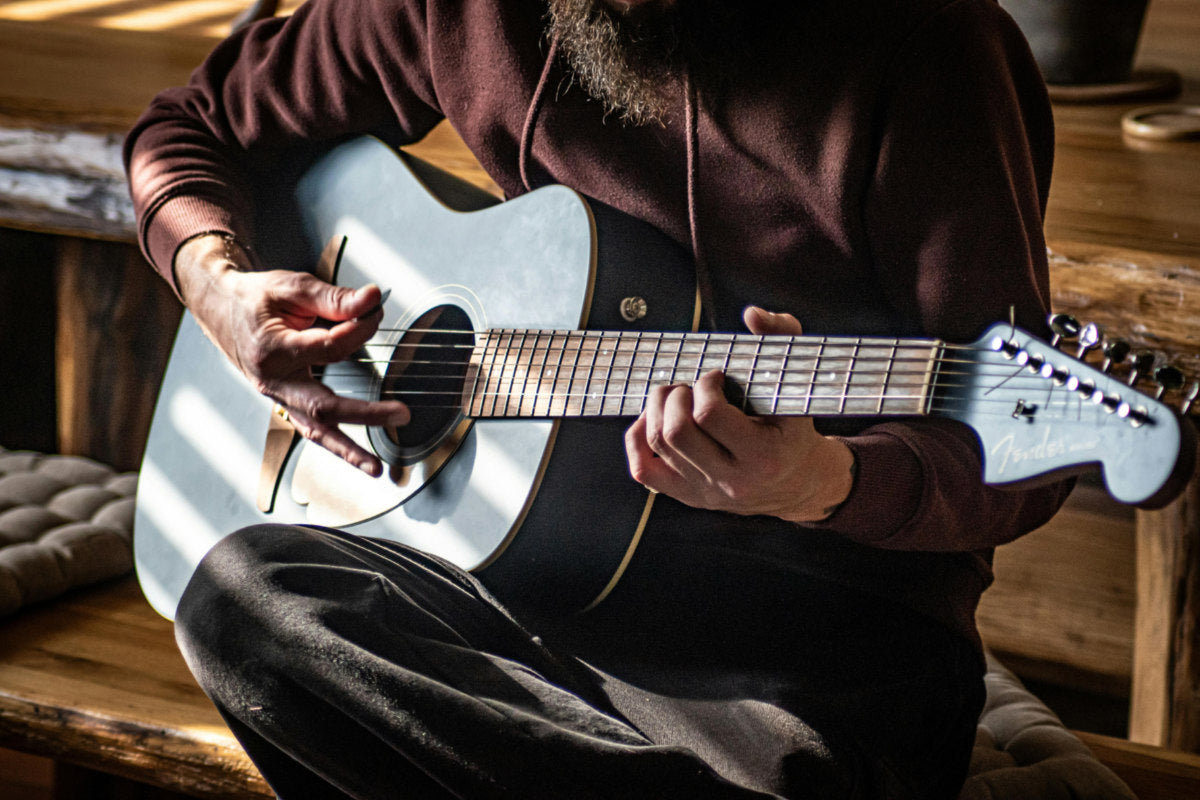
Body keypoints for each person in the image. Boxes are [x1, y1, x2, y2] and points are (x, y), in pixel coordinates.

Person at [124, 0, 1071, 796]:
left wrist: (820, 479)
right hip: (532, 609)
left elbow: (1027, 444)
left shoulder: (928, 41)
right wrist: (217, 285)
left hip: (809, 665)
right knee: (241, 593)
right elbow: (190, 128)